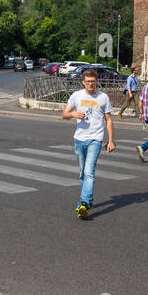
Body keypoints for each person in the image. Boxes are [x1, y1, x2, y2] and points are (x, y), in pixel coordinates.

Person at [61, 67, 116, 219]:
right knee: (82, 172)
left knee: (89, 171)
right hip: (79, 139)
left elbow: (109, 120)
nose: (91, 84)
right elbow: (64, 114)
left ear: (97, 81)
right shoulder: (76, 96)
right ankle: (89, 199)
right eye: (88, 82)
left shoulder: (103, 97)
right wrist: (73, 114)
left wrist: (111, 141)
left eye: (93, 81)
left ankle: (84, 202)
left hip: (95, 139)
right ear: (83, 82)